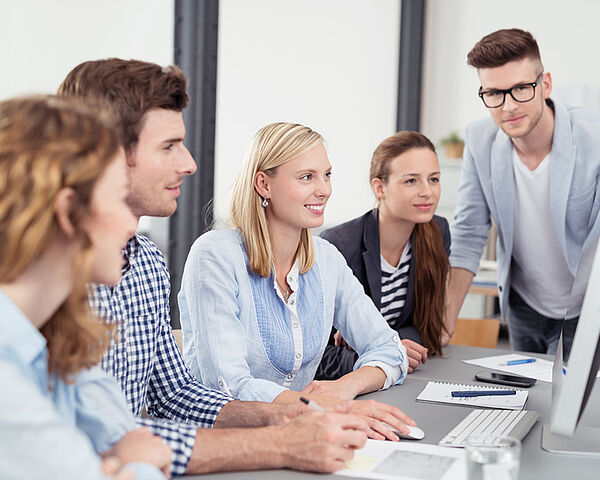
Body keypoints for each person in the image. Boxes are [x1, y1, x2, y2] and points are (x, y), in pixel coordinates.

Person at [58, 58, 370, 476]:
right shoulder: (46, 286)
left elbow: (175, 394)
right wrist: (277, 443)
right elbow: (91, 438)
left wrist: (285, 414)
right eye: (168, 146)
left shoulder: (147, 263)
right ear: (103, 153)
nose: (189, 163)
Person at [179, 122, 418, 439]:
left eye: (327, 175)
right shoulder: (215, 256)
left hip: (304, 432)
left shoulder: (326, 259)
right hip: (223, 442)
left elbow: (389, 349)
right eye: (307, 177)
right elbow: (228, 385)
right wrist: (322, 407)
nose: (324, 190)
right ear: (264, 184)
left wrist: (344, 389)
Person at [0, 95, 172, 479]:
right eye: (116, 200)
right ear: (67, 213)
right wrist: (139, 465)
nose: (132, 225)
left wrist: (125, 461)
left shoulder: (46, 335)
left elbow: (116, 426)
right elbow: (137, 452)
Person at [445, 28, 600, 356]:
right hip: (524, 305)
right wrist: (443, 326)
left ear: (545, 85)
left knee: (583, 406)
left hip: (589, 307)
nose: (508, 107)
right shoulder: (479, 140)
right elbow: (468, 234)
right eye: (494, 94)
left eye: (520, 89)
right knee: (530, 403)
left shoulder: (594, 138)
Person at [315, 131, 450, 380]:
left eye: (434, 179)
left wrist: (388, 342)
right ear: (379, 187)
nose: (427, 192)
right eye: (411, 181)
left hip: (407, 378)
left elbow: (426, 326)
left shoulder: (438, 232)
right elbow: (315, 356)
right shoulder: (340, 245)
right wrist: (381, 354)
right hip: (348, 386)